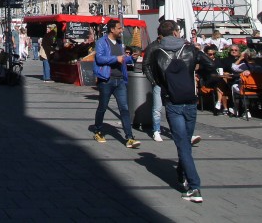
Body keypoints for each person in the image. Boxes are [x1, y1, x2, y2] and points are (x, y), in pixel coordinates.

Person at [146, 19, 217, 203]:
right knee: (185, 142)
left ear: (161, 34)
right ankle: (181, 174)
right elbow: (210, 64)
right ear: (176, 32)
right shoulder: (190, 49)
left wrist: (160, 85)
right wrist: (196, 73)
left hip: (173, 102)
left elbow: (151, 72)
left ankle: (194, 187)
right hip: (191, 101)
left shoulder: (157, 53)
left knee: (183, 144)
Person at [92, 19, 141, 149]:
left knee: (124, 109)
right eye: (119, 28)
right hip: (106, 79)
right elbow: (99, 58)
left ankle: (129, 137)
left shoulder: (120, 43)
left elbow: (122, 59)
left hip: (120, 80)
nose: (121, 30)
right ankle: (98, 131)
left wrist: (131, 58)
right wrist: (116, 59)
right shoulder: (102, 42)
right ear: (112, 29)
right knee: (102, 106)